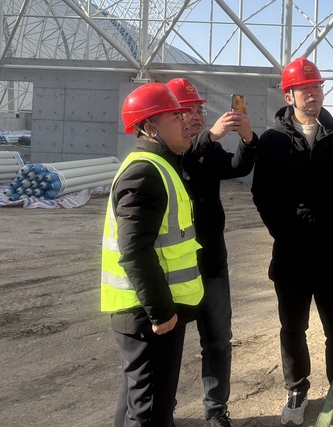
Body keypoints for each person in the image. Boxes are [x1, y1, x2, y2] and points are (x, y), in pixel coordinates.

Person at [251, 57, 333, 427]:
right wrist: (284, 230)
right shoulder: (273, 141)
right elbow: (262, 194)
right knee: (293, 328)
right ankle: (297, 388)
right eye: (304, 88)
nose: (313, 93)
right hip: (292, 254)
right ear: (289, 95)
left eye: (317, 87)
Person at [101, 82, 204, 427]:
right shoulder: (146, 172)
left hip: (148, 311)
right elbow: (134, 250)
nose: (186, 121)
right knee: (150, 412)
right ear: (149, 127)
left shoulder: (159, 165)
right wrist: (161, 313)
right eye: (176, 116)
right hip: (149, 314)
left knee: (136, 403)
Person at [165, 78, 258, 427]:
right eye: (187, 111)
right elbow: (186, 163)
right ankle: (163, 410)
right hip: (174, 268)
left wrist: (247, 138)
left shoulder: (205, 148)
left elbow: (236, 168)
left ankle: (216, 408)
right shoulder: (165, 154)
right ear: (169, 116)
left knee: (218, 339)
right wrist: (212, 136)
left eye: (199, 110)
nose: (196, 116)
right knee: (169, 344)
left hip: (211, 262)